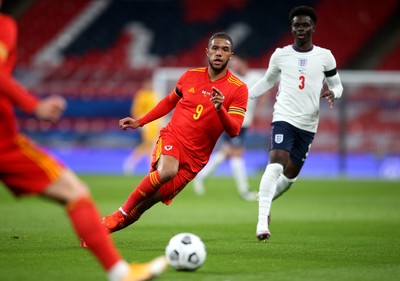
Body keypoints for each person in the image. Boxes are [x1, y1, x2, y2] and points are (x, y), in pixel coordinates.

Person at [0, 8, 167, 281]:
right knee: (75, 192)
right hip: (3, 140)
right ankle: (120, 273)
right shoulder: (4, 25)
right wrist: (33, 104)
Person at [99, 32, 248, 234]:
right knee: (167, 171)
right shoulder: (190, 76)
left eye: (224, 49)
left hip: (196, 158)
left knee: (146, 203)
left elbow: (234, 130)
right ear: (207, 52)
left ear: (231, 55)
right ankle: (120, 212)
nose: (219, 53)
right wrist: (140, 121)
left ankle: (101, 232)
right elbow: (169, 101)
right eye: (215, 48)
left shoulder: (238, 89)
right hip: (174, 137)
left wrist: (220, 108)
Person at [249, 6, 343, 242]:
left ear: (313, 28)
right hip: (283, 117)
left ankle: (265, 200)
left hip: (308, 124)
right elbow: (267, 82)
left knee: (290, 178)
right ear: (292, 28)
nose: (300, 28)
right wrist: (244, 96)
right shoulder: (280, 54)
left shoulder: (325, 56)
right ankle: (262, 221)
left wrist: (334, 93)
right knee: (276, 163)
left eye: (305, 25)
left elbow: (338, 85)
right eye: (296, 25)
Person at [193, 54, 261, 201]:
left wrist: (258, 111)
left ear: (244, 62)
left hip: (245, 122)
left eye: (236, 62)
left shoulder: (255, 77)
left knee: (226, 153)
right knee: (236, 153)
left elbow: (264, 93)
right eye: (232, 63)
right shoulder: (232, 79)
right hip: (232, 121)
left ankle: (200, 177)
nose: (233, 66)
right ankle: (244, 191)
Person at [123, 76, 160, 175]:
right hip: (146, 123)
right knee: (148, 143)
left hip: (155, 123)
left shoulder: (154, 94)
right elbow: (136, 110)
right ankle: (132, 161)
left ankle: (145, 164)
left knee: (151, 144)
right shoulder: (141, 95)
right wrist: (139, 121)